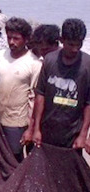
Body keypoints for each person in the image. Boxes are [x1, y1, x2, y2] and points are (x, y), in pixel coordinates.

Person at [0, 17, 42, 162]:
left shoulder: (34, 63)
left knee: (13, 156)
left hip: (17, 122)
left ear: (26, 39)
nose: (11, 42)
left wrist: (30, 129)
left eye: (16, 38)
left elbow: (35, 99)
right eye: (9, 38)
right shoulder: (0, 55)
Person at [32, 18, 90, 152]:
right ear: (62, 40)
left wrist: (83, 135)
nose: (75, 49)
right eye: (71, 44)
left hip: (72, 134)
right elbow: (40, 95)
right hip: (47, 131)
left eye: (79, 44)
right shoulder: (49, 60)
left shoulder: (87, 65)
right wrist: (36, 129)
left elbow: (88, 103)